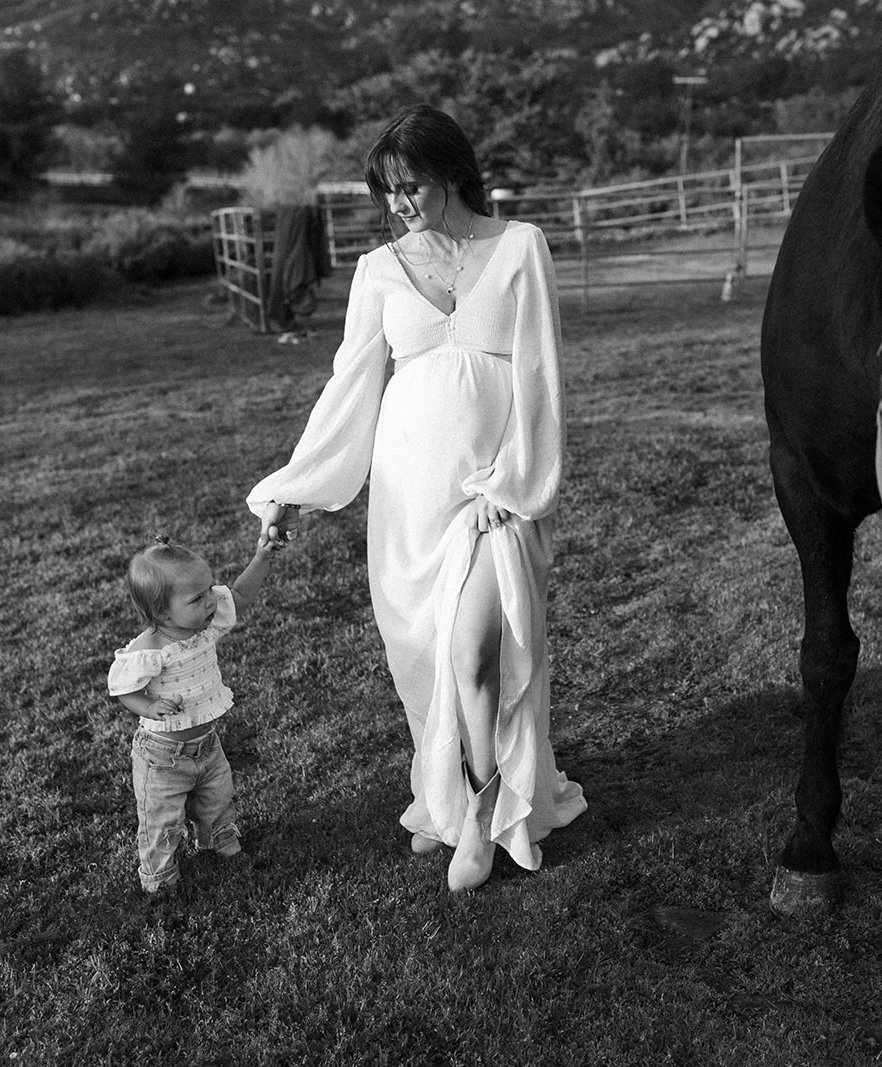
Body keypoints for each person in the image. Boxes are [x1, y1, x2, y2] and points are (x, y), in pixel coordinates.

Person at [245, 104, 585, 893]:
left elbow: (540, 375)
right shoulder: (377, 271)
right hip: (407, 501)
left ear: (451, 172)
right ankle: (447, 792)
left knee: (476, 653)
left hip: (489, 495)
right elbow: (352, 388)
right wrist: (293, 487)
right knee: (432, 667)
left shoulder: (520, 248)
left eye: (411, 186)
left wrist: (514, 480)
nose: (398, 203)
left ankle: (481, 811)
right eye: (387, 192)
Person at [108, 535, 282, 898]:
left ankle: (217, 837)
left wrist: (262, 557)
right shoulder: (149, 650)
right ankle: (158, 876)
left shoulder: (205, 623)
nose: (210, 602)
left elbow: (240, 595)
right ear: (161, 613)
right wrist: (148, 707)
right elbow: (122, 687)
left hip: (207, 744)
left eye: (207, 591)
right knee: (162, 820)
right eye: (197, 598)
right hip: (162, 757)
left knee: (217, 797)